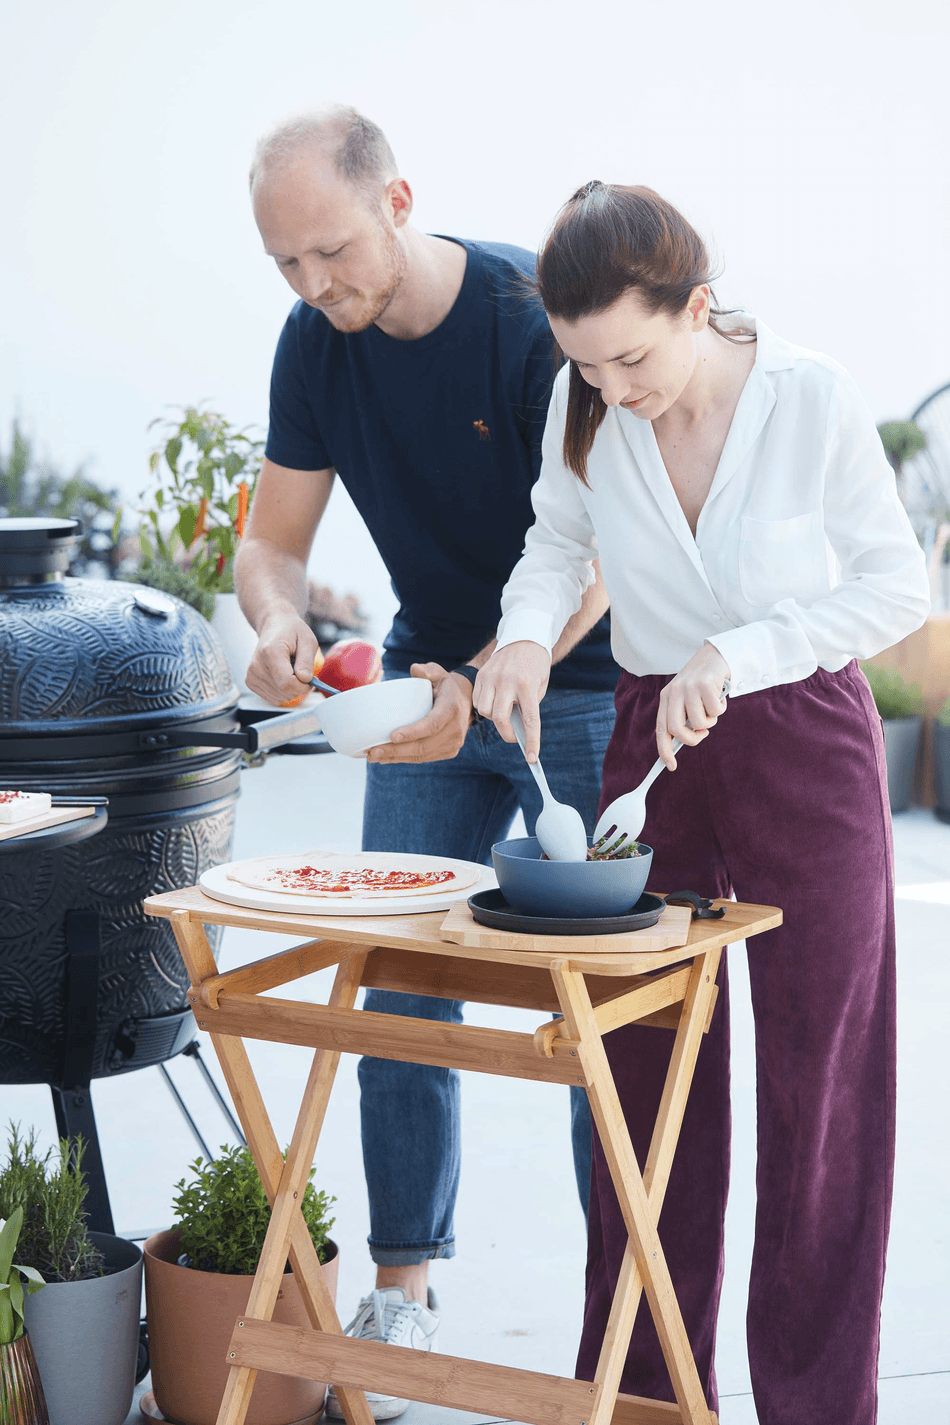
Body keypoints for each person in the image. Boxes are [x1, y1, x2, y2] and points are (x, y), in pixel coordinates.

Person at [474, 182, 930, 1424]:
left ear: (697, 306)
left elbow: (893, 586)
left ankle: (813, 1405)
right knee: (644, 1082)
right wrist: (520, 637)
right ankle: (639, 1397)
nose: (612, 390)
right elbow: (554, 545)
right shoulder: (588, 398)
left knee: (818, 1090)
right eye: (586, 366)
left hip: (800, 738)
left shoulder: (809, 397)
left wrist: (741, 654)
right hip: (646, 741)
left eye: (630, 356)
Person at [235, 109, 619, 1420]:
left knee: (597, 1013)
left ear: (398, 197)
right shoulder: (311, 346)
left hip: (576, 683)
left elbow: (601, 547)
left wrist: (501, 668)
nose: (313, 286)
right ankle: (403, 1286)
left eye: (330, 251)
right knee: (394, 989)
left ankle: (615, 1310)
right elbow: (269, 542)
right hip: (422, 690)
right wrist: (278, 620)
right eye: (285, 265)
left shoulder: (525, 316)